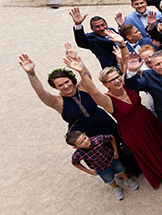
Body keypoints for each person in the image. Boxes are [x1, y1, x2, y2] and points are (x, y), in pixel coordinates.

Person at [64, 55, 162, 189]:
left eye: (117, 76)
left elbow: (127, 66)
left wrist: (121, 45)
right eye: (111, 80)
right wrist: (82, 71)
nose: (117, 80)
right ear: (105, 84)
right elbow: (94, 92)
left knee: (161, 143)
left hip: (149, 120)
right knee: (150, 151)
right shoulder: (107, 100)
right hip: (133, 131)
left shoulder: (126, 84)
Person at [19, 48, 140, 176]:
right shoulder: (57, 101)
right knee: (102, 153)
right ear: (55, 87)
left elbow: (85, 74)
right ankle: (119, 173)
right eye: (60, 85)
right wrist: (31, 73)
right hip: (86, 133)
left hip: (103, 122)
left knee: (121, 143)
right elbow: (41, 92)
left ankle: (134, 167)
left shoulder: (83, 87)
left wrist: (76, 59)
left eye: (67, 82)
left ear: (71, 80)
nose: (65, 86)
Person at [67, 131, 139, 201]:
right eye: (81, 142)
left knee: (121, 171)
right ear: (75, 147)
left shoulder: (98, 139)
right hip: (101, 169)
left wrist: (115, 151)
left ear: (84, 134)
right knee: (109, 180)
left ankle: (127, 180)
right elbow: (75, 163)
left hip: (112, 160)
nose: (85, 141)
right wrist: (88, 171)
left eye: (85, 138)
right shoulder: (78, 154)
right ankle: (116, 188)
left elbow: (111, 138)